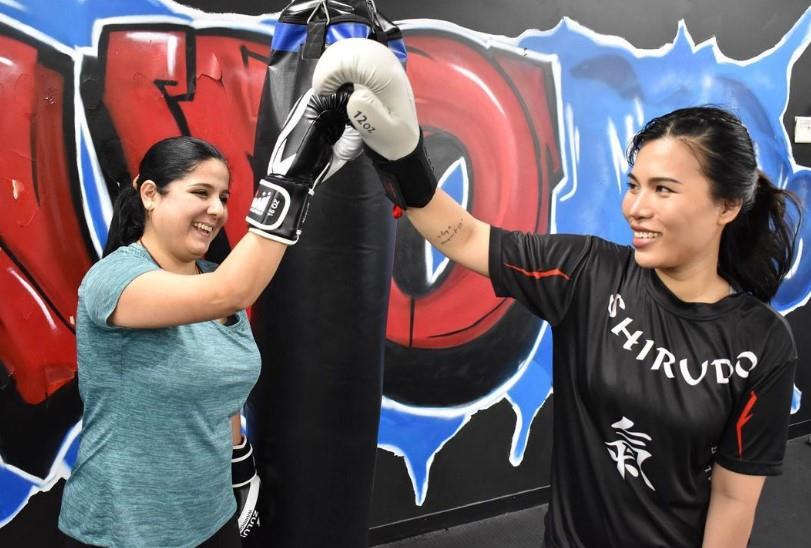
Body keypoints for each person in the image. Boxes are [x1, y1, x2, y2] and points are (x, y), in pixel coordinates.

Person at [313, 39, 801, 547]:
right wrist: (403, 159)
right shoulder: (588, 272)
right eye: (634, 185)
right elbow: (465, 236)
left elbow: (733, 498)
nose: (636, 207)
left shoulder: (761, 343)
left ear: (726, 206)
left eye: (663, 189)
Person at [59, 87, 357, 547]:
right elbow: (229, 292)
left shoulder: (216, 275)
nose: (217, 209)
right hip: (123, 528)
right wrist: (295, 181)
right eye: (201, 192)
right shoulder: (113, 280)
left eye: (223, 196)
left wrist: (240, 464)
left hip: (212, 516)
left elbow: (224, 387)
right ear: (151, 195)